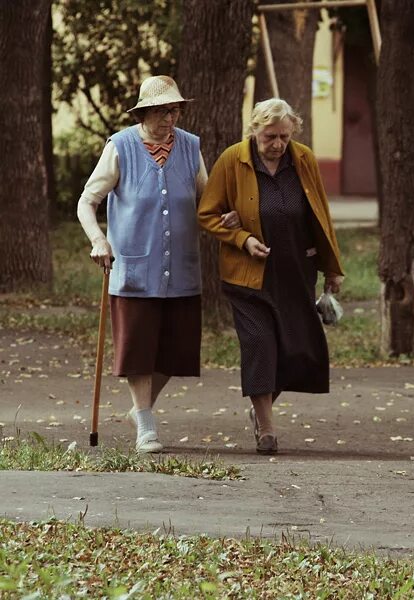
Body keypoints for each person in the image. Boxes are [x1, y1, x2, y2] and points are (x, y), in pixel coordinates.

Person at [77, 75, 240, 453]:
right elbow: (87, 201)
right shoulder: (120, 147)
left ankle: (142, 408)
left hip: (181, 268)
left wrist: (225, 218)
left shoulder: (190, 147)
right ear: (144, 113)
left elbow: (206, 199)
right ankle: (145, 424)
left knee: (176, 351)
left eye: (175, 110)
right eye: (163, 111)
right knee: (137, 350)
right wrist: (98, 239)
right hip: (134, 267)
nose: (170, 118)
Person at [198, 98, 344, 455]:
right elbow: (207, 213)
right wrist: (242, 238)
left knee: (296, 349)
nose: (277, 144)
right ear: (254, 131)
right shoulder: (233, 159)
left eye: (283, 136)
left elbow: (320, 214)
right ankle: (266, 428)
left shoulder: (303, 158)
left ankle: (259, 407)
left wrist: (331, 269)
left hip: (296, 270)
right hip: (247, 276)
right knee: (260, 345)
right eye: (269, 137)